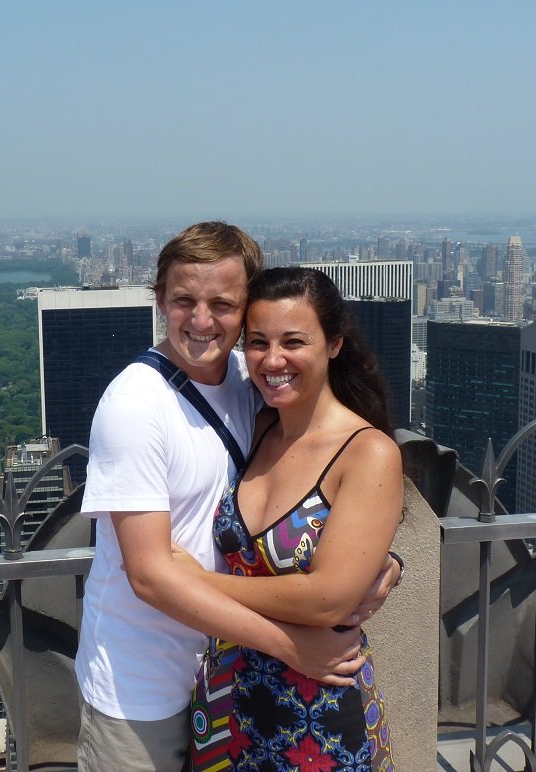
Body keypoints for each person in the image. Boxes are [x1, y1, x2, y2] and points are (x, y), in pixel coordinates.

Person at [75, 223, 402, 772]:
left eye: (222, 305)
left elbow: (326, 495)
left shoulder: (248, 386)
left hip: (232, 680)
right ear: (159, 301)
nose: (202, 321)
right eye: (184, 300)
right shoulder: (135, 404)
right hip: (146, 686)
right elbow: (152, 575)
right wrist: (292, 646)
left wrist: (382, 560)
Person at [171, 266, 405, 771]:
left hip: (318, 718)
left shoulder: (366, 453)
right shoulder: (256, 428)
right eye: (257, 343)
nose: (273, 360)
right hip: (223, 706)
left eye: (293, 341)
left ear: (335, 343)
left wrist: (197, 583)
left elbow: (328, 599)